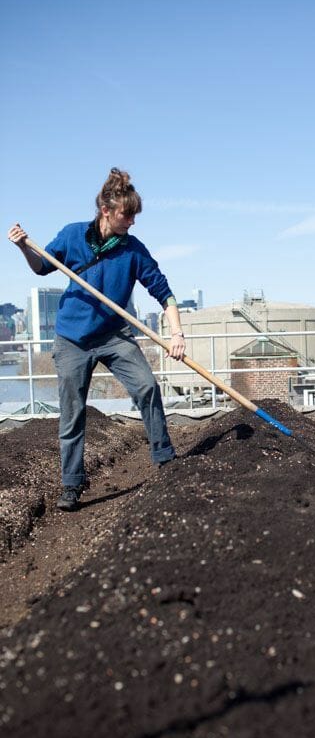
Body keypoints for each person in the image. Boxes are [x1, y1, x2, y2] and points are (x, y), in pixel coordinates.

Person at [8, 168, 186, 511]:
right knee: (72, 413)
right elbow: (41, 267)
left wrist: (177, 333)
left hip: (114, 335)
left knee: (147, 386)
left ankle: (165, 460)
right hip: (72, 339)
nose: (132, 222)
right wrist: (22, 247)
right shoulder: (72, 235)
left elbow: (165, 293)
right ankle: (72, 484)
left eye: (134, 215)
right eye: (127, 215)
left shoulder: (133, 250)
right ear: (107, 211)